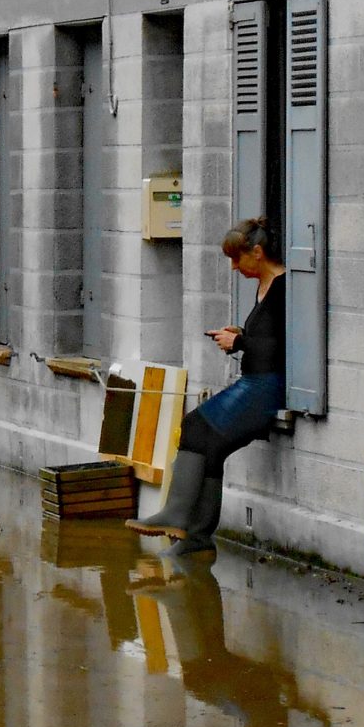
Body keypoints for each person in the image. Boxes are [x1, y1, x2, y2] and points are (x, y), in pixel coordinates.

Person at [128, 216, 287, 556]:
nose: (233, 267)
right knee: (211, 448)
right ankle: (197, 536)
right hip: (255, 382)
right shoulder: (265, 285)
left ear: (257, 253)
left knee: (193, 426)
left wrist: (240, 343)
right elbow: (267, 339)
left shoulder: (283, 287)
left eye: (237, 259)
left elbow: (283, 350)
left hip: (264, 387)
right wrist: (241, 336)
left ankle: (176, 515)